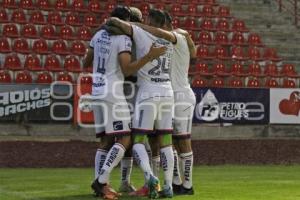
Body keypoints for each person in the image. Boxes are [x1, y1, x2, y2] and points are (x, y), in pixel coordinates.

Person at [83, 6, 167, 200]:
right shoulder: (123, 39)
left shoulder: (97, 36)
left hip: (96, 91)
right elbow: (128, 69)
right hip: (114, 93)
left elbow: (86, 62)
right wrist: (149, 57)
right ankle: (102, 181)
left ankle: (103, 184)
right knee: (125, 139)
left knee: (105, 141)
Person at [106, 8, 176, 198]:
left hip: (148, 93)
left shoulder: (142, 33)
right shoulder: (170, 39)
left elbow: (115, 23)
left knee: (137, 140)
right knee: (166, 142)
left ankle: (150, 177)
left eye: (146, 19)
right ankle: (168, 186)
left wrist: (126, 22)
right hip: (167, 93)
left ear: (150, 21)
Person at [130, 11, 197, 195]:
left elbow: (168, 34)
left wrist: (138, 26)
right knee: (170, 142)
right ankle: (174, 182)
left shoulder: (177, 36)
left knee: (183, 141)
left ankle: (188, 185)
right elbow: (194, 51)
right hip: (169, 94)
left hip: (181, 95)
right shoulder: (169, 40)